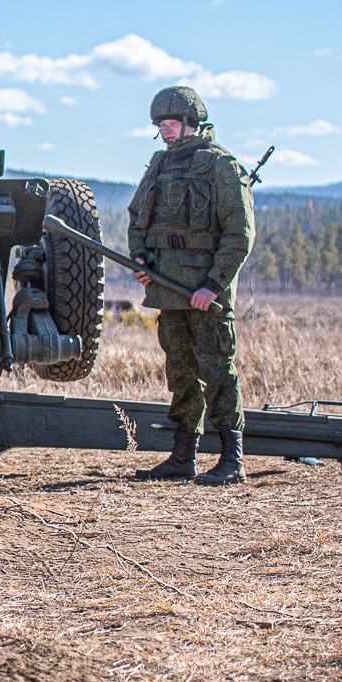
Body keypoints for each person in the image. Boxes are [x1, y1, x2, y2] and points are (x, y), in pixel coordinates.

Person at [128, 86, 256, 485]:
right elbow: (137, 221)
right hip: (168, 292)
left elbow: (239, 235)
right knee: (180, 373)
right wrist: (140, 261)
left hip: (205, 295)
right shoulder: (159, 168)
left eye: (169, 124)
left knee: (217, 370)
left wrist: (213, 286)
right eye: (160, 126)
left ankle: (232, 461)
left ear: (189, 123)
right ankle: (183, 457)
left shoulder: (221, 166)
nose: (164, 131)